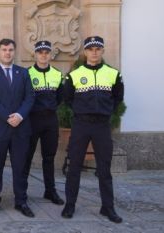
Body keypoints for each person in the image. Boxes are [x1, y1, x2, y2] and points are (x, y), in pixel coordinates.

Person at [62, 36, 124, 223]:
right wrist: (82, 112)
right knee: (74, 167)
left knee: (104, 169)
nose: (94, 52)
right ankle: (69, 205)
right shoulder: (74, 74)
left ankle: (108, 207)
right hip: (81, 125)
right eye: (91, 49)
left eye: (98, 48)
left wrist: (104, 112)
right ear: (86, 52)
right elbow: (68, 99)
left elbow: (117, 98)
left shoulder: (113, 74)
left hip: (102, 126)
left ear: (102, 51)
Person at [0, 39, 35, 218]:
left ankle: (21, 201)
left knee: (20, 167)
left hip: (20, 128)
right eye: (4, 50)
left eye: (11, 50)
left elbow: (30, 98)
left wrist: (19, 115)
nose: (7, 53)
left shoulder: (23, 73)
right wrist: (8, 116)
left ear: (14, 52)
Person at [24, 40, 65, 205]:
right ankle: (22, 191)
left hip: (50, 120)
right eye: (40, 52)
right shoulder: (26, 74)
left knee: (49, 157)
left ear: (50, 54)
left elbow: (60, 97)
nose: (43, 55)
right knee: (27, 156)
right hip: (32, 120)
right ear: (35, 54)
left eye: (46, 52)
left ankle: (50, 190)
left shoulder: (57, 74)